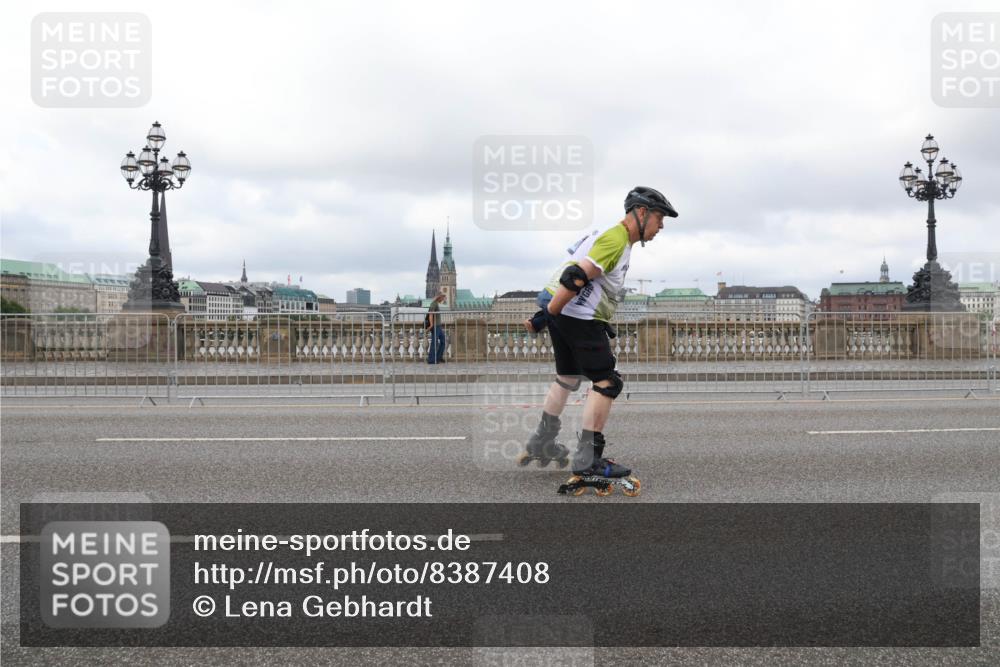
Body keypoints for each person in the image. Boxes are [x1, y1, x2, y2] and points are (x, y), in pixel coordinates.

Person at [519, 186, 679, 496]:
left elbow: (563, 278)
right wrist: (551, 313)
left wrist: (545, 315)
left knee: (567, 377)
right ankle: (588, 461)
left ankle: (543, 439)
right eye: (659, 218)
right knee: (607, 382)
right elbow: (575, 277)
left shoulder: (608, 237)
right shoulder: (615, 239)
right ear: (642, 212)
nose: (661, 227)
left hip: (565, 313)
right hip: (580, 317)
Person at [426, 292, 447, 364]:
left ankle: (438, 357)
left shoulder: (436, 303)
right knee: (434, 343)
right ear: (439, 297)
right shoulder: (433, 304)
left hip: (438, 326)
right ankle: (432, 360)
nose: (443, 299)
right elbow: (430, 315)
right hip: (435, 326)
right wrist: (431, 325)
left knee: (443, 341)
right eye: (443, 297)